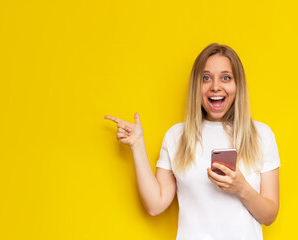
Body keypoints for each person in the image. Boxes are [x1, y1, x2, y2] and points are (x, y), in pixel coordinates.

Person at [104, 43, 280, 240]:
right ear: (197, 85)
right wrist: (137, 144)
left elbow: (269, 215)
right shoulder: (177, 136)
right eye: (206, 78)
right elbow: (155, 205)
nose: (215, 86)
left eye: (226, 77)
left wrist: (242, 188)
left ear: (238, 85)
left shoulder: (262, 135)